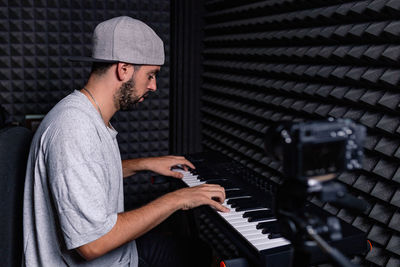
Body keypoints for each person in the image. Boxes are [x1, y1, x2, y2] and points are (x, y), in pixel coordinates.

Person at [23, 16, 229, 267]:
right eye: (151, 75)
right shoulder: (73, 128)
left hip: (121, 254)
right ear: (124, 69)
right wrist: (178, 200)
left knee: (197, 252)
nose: (154, 86)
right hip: (103, 256)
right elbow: (93, 244)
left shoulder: (89, 115)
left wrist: (143, 164)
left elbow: (87, 174)